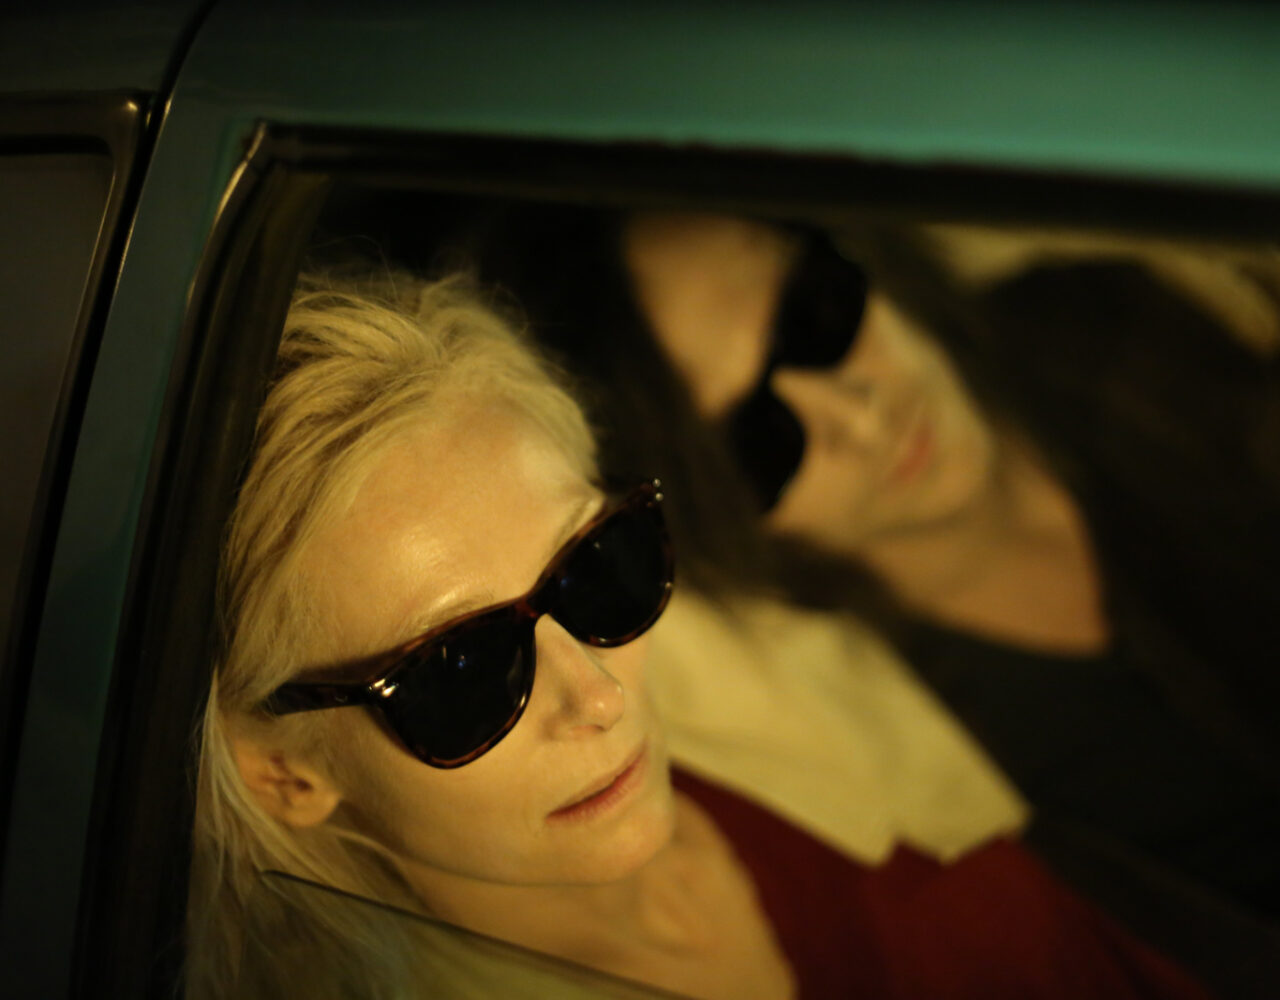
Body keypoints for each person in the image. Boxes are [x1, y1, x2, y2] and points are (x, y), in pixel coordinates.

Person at [185, 268, 1215, 999]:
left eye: (595, 568)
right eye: (459, 667)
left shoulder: (761, 686)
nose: (597, 695)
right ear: (283, 774)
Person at [468, 207, 1280, 994]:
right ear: (711, 514)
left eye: (815, 317)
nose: (857, 415)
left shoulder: (1113, 327)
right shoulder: (902, 744)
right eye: (761, 440)